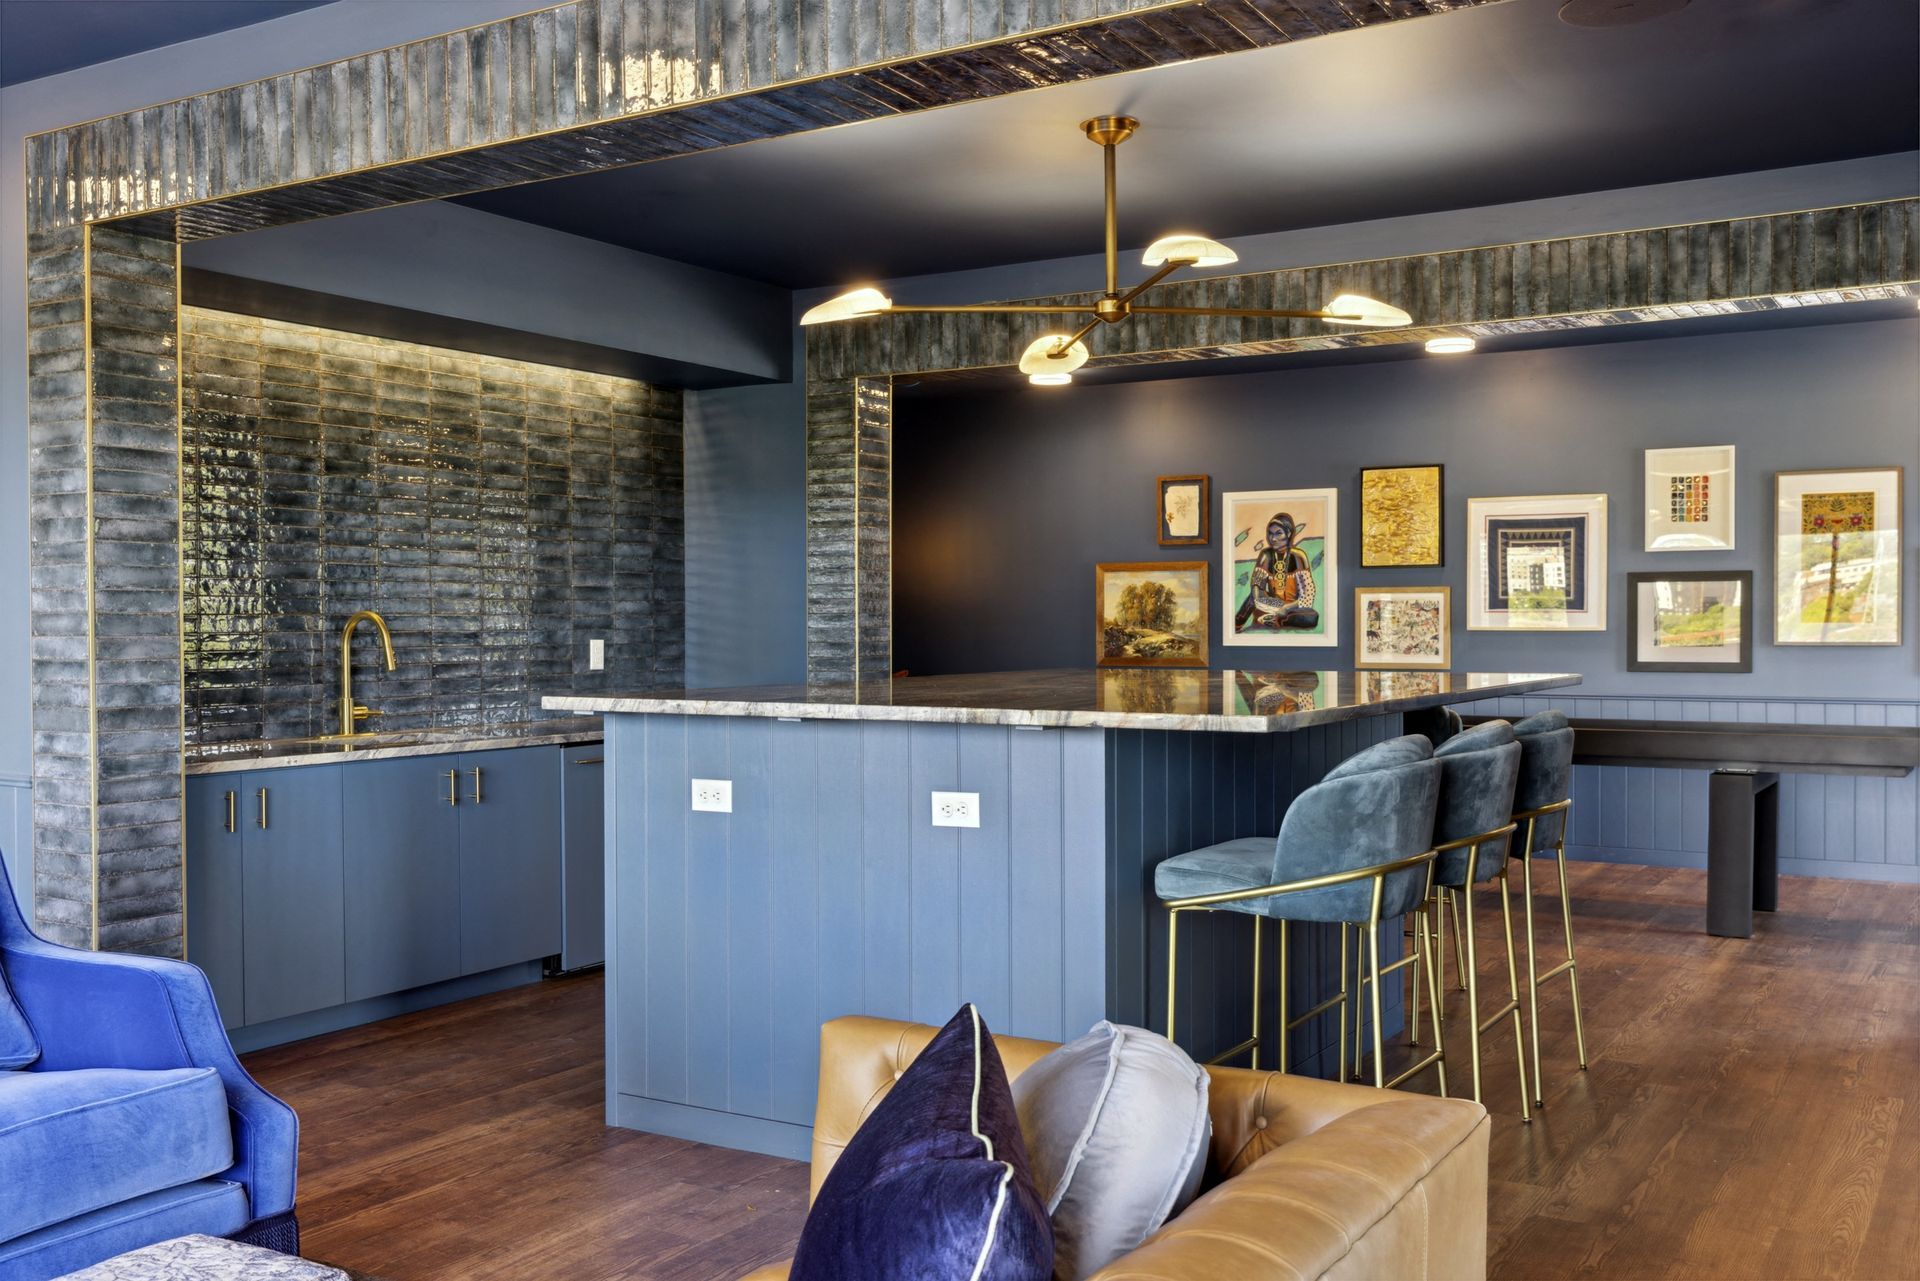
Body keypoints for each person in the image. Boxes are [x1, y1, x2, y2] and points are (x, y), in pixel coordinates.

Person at [1235, 511, 1320, 631]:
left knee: (1312, 617)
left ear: (1289, 533)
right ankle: (1235, 626)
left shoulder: (1299, 556)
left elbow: (1308, 595)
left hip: (1292, 609)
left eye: (1278, 533)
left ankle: (1277, 621)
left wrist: (1286, 608)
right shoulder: (1265, 555)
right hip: (1270, 604)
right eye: (1270, 534)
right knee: (1251, 598)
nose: (1273, 538)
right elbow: (1257, 585)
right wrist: (1259, 596)